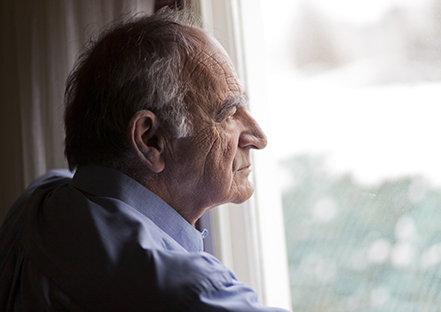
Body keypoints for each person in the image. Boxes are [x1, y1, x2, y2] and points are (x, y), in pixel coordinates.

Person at [0, 8, 290, 312]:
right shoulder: (191, 293)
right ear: (151, 140)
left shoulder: (37, 204)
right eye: (229, 113)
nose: (258, 137)